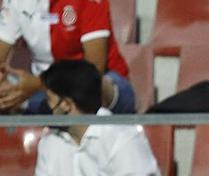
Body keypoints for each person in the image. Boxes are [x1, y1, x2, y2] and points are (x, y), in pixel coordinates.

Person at [33, 59, 160, 176]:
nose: (45, 105)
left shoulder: (122, 139)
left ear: (66, 104)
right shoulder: (49, 142)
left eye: (49, 99)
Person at [0, 0, 135, 114]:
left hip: (104, 84)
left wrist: (38, 84)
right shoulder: (16, 2)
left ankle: (30, 106)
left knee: (91, 89)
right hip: (44, 89)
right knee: (8, 87)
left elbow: (93, 71)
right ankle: (27, 106)